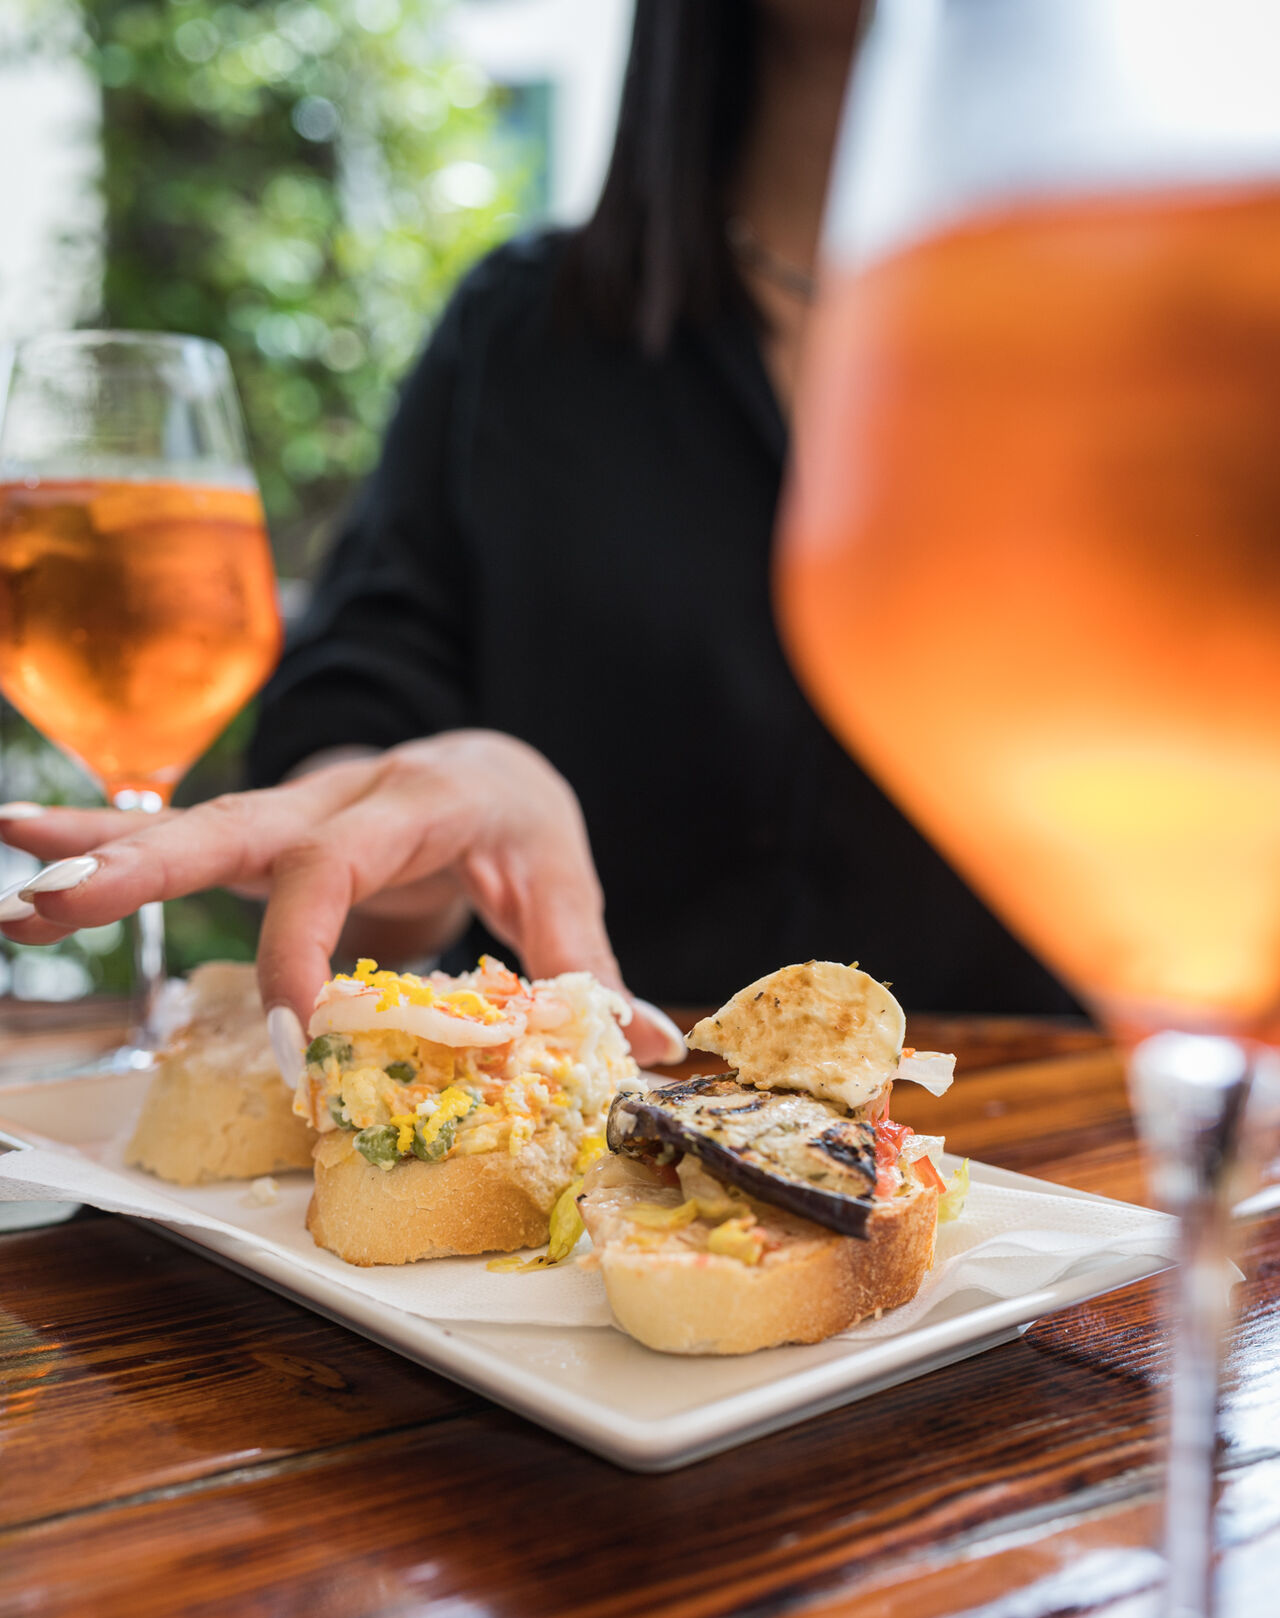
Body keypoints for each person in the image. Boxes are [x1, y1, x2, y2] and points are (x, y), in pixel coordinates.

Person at [0, 0, 1076, 1075]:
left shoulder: (1144, 330)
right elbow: (356, 709)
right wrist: (407, 821)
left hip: (1093, 1126)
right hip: (598, 1135)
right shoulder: (519, 336)